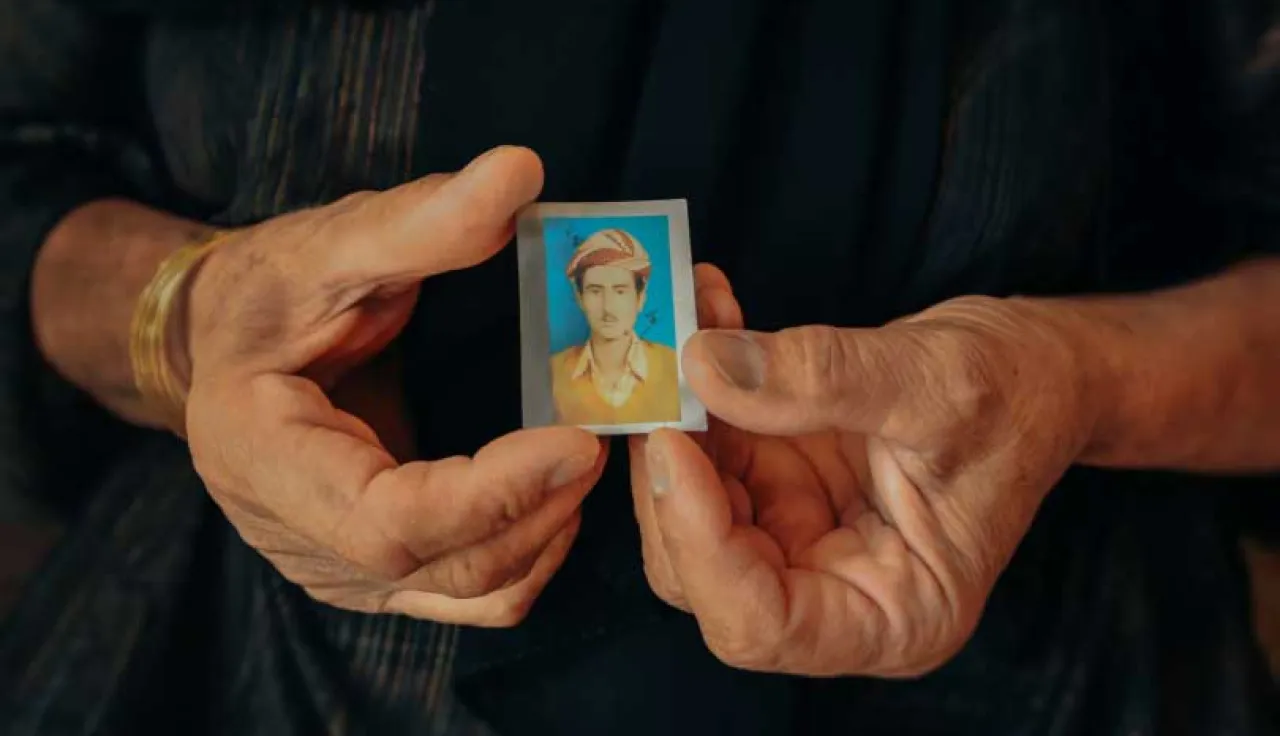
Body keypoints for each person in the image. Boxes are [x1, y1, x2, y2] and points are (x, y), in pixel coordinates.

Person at [1, 0, 1279, 734]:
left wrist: (1075, 381)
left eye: (620, 286)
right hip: (245, 677)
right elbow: (20, 176)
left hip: (1046, 677)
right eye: (599, 287)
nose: (610, 299)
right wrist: (183, 319)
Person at [550, 228, 681, 426]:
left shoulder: (675, 368)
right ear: (579, 297)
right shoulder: (552, 372)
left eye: (620, 291)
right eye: (595, 291)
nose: (608, 307)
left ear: (640, 297)